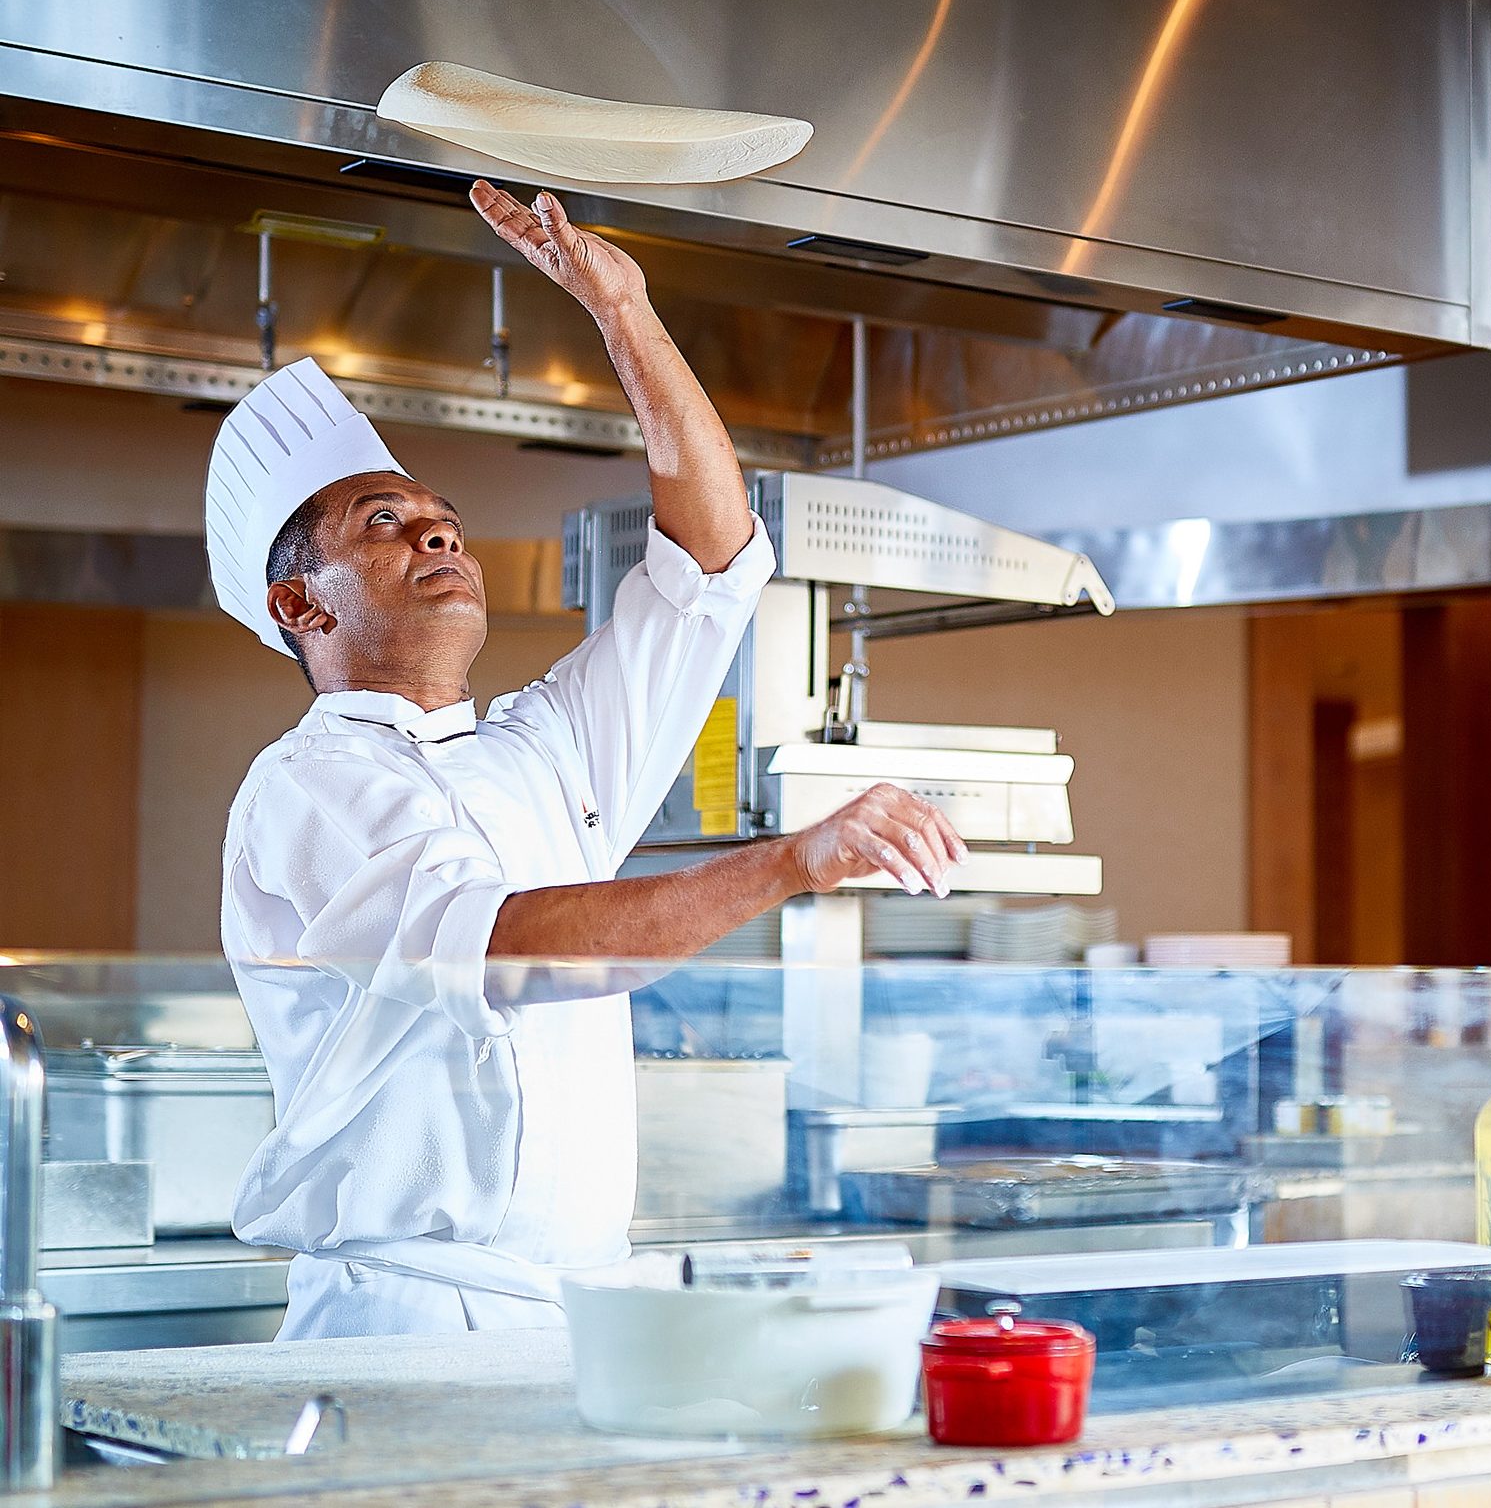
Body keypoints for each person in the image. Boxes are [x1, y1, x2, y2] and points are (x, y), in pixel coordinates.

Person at [204, 181, 966, 1339]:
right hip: (403, 1322)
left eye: (441, 515)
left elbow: (711, 560)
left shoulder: (540, 746)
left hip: (574, 1313)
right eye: (383, 521)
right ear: (298, 602)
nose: (436, 531)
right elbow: (501, 950)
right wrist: (788, 862)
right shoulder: (306, 785)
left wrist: (624, 310)